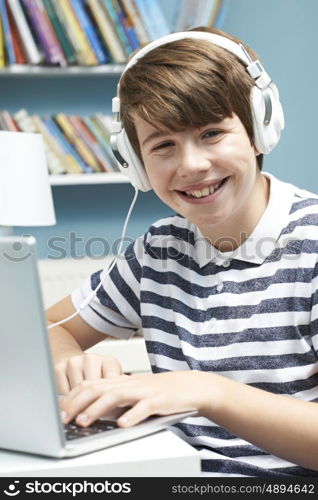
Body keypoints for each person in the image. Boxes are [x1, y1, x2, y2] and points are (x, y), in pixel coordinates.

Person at [47, 26, 318, 477]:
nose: (191, 165)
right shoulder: (157, 251)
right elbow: (51, 329)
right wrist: (70, 364)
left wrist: (208, 393)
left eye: (212, 133)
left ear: (259, 129)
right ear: (134, 164)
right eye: (163, 145)